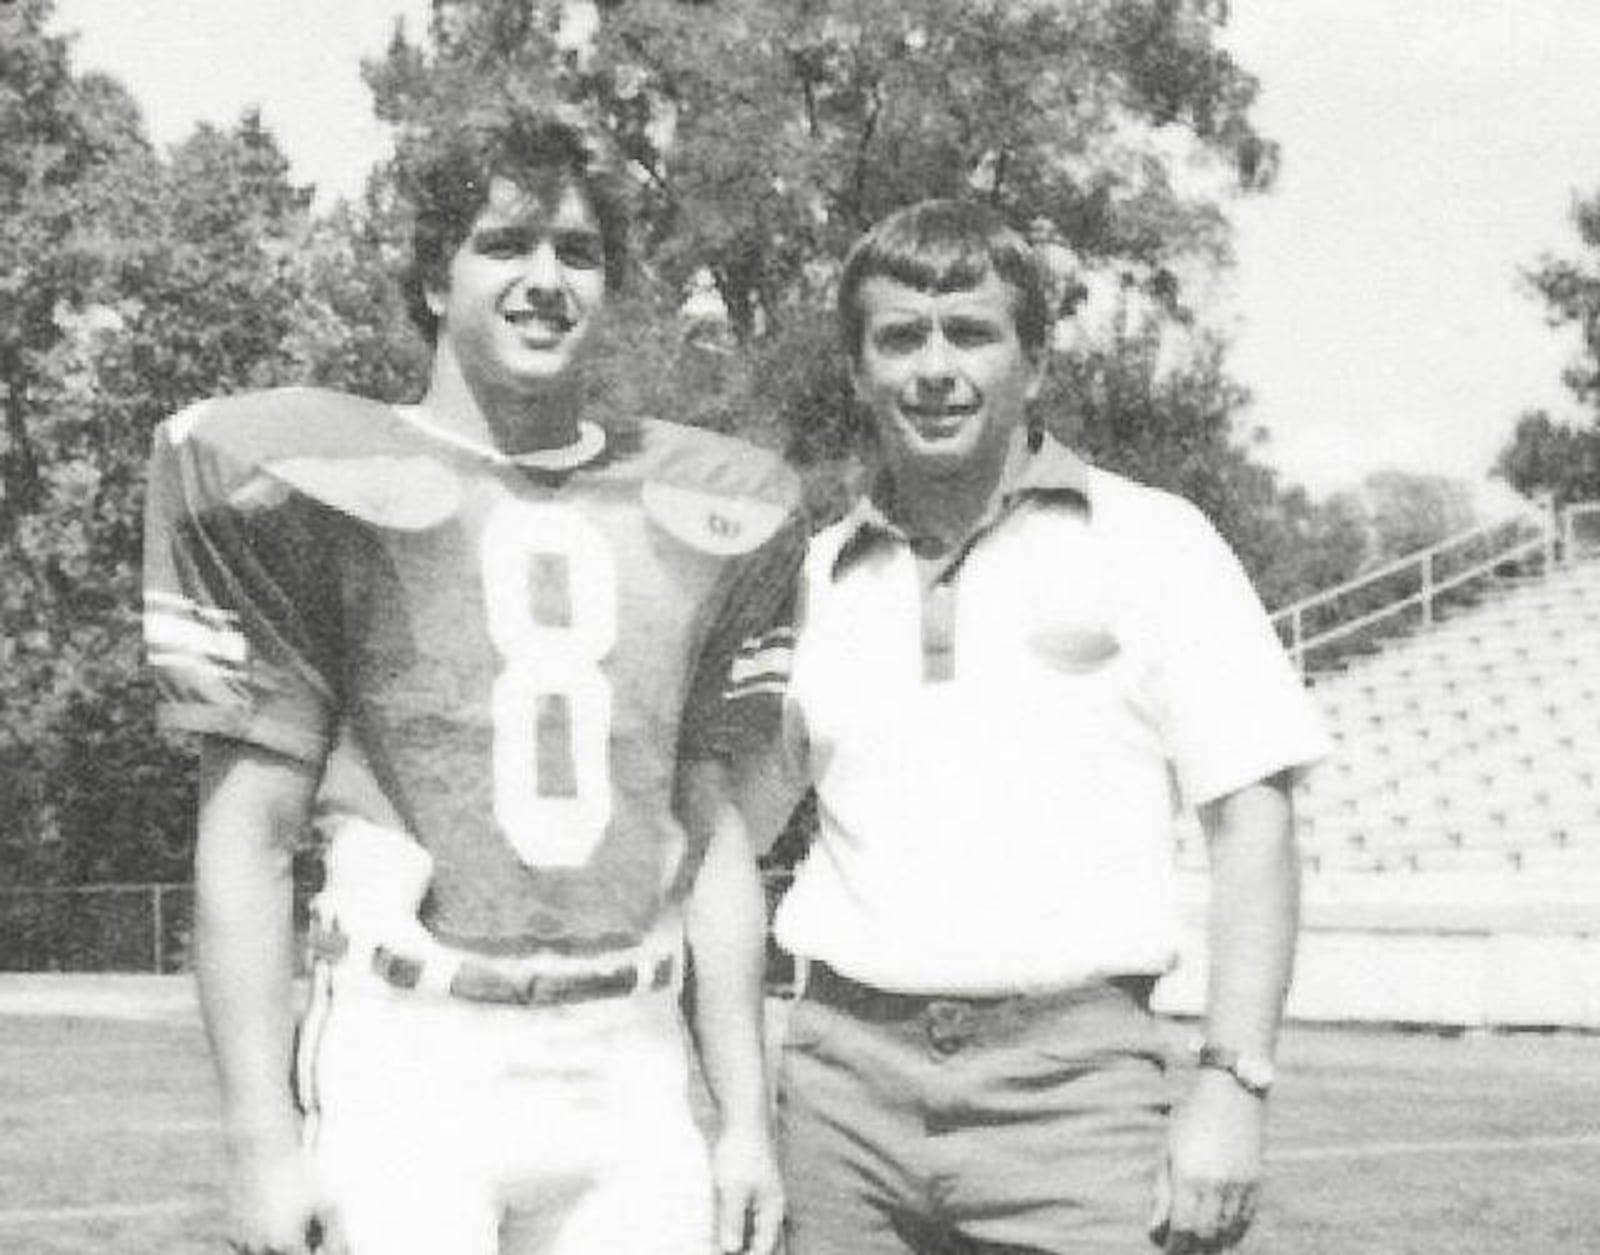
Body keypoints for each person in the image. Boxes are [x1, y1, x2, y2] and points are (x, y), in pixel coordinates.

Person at [142, 107, 796, 1255]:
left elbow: (715, 836)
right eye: (504, 244)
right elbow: (247, 835)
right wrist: (259, 1136)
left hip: (629, 1059)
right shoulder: (320, 482)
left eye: (578, 253)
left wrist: (743, 1119)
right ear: (434, 278)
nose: (545, 279)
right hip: (412, 1054)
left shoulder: (706, 505)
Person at [758, 200, 1330, 1255]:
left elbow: (1254, 821)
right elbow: (728, 830)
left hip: (1075, 1091)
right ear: (856, 371)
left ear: (1036, 362)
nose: (934, 368)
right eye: (899, 337)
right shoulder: (811, 579)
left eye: (970, 332)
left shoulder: (1154, 542)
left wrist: (1232, 1083)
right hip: (841, 1092)